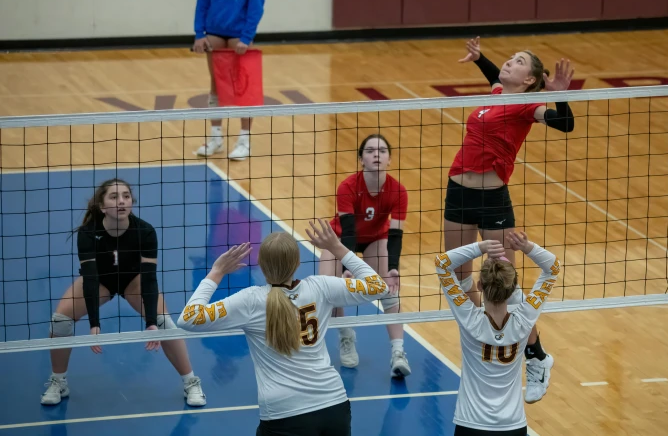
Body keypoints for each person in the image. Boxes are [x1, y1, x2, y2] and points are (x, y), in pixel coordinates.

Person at [444, 36, 575, 403]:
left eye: (518, 61)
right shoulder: (500, 91)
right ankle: (485, 334)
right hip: (457, 193)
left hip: (492, 200)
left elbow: (565, 124)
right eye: (510, 59)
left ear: (531, 79)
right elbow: (495, 77)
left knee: (503, 283)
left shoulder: (527, 105)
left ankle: (536, 356)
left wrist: (561, 94)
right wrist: (479, 59)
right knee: (458, 276)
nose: (508, 62)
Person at [177, 219, 391, 436]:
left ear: (260, 264)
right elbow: (379, 287)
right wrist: (336, 247)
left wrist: (216, 272)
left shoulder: (250, 301)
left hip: (284, 413)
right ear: (298, 263)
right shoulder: (321, 286)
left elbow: (188, 319)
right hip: (333, 404)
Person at [41, 179, 206, 407]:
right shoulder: (88, 233)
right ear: (102, 206)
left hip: (133, 280)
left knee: (164, 323)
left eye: (126, 196)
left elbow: (149, 279)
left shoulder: (145, 231)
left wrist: (150, 323)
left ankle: (191, 382)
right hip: (100, 281)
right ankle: (58, 381)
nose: (121, 201)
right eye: (114, 197)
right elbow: (90, 278)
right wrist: (94, 323)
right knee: (60, 321)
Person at [435, 231, 560, 435]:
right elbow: (553, 267)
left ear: (479, 286)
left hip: (471, 424)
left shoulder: (469, 319)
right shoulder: (524, 319)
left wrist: (480, 247)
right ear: (512, 291)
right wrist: (527, 247)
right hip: (513, 426)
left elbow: (442, 263)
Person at [319, 134, 410, 377]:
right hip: (338, 239)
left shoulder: (398, 190)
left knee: (389, 289)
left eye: (381, 150)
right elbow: (348, 231)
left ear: (389, 159)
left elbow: (396, 235)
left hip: (374, 239)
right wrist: (347, 266)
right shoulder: (348, 186)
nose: (376, 154)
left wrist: (393, 268)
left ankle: (398, 353)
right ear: (361, 159)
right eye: (370, 151)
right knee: (329, 288)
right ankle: (346, 334)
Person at [193, 0, 266, 161]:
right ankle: (216, 139)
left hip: (239, 34)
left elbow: (257, 2)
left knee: (243, 87)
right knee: (216, 85)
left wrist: (247, 36)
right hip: (214, 31)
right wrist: (199, 33)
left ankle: (244, 141)